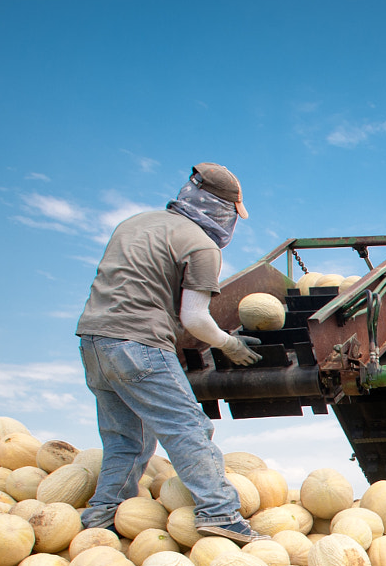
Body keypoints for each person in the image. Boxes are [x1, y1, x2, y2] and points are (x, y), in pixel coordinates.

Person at [74, 163, 266, 543]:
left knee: (126, 439)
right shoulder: (201, 245)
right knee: (189, 428)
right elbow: (194, 317)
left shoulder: (133, 223)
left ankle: (104, 516)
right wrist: (230, 344)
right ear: (222, 209)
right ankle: (220, 513)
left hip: (93, 341)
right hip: (139, 345)